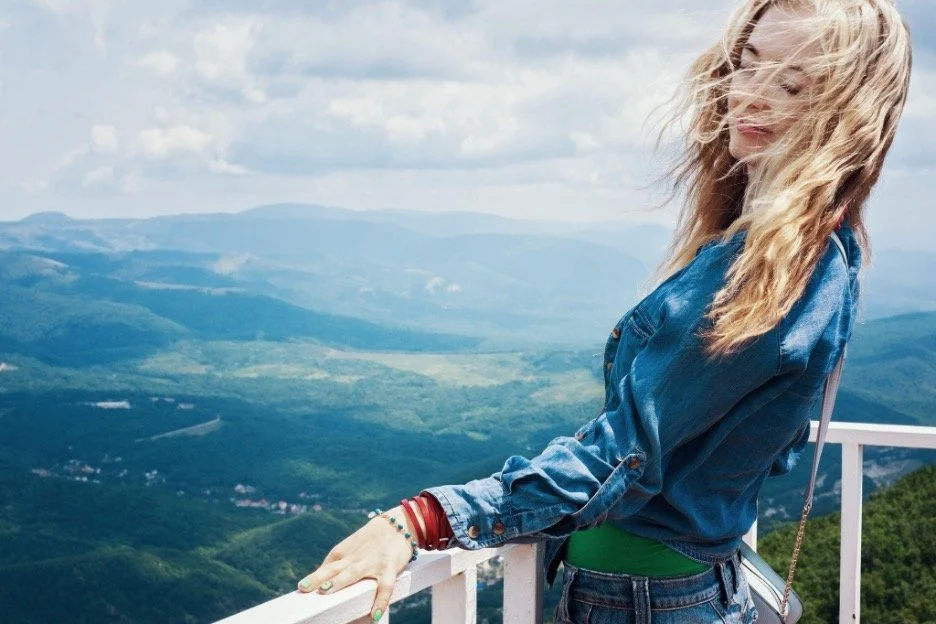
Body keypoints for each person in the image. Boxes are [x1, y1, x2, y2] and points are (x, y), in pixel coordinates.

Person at [296, 0, 913, 621]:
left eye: (792, 84)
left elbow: (619, 459)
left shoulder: (772, 273)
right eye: (748, 66)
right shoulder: (823, 253)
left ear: (845, 114)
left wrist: (417, 522)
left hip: (645, 603)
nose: (752, 96)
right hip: (668, 592)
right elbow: (765, 440)